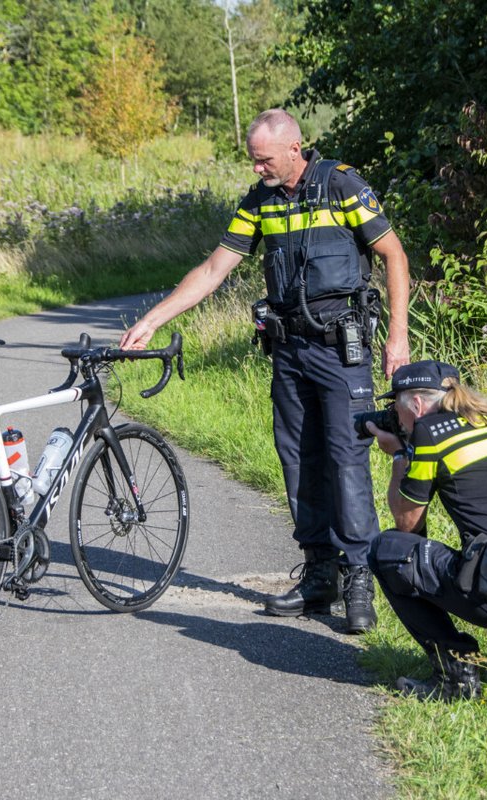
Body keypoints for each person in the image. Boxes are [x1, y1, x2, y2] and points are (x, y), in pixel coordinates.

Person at [121, 108, 410, 634]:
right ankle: (320, 574)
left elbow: (394, 254)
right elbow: (214, 269)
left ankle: (359, 577)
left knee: (346, 461)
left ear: (295, 149)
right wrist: (152, 320)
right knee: (298, 460)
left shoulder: (342, 186)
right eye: (253, 161)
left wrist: (398, 336)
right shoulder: (259, 202)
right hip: (289, 351)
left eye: (264, 160)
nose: (257, 169)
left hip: (340, 352)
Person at [364, 360, 487, 701]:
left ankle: (455, 675)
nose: (396, 416)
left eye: (395, 407)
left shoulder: (429, 433)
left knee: (386, 550)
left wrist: (400, 456)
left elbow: (407, 526)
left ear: (416, 405)